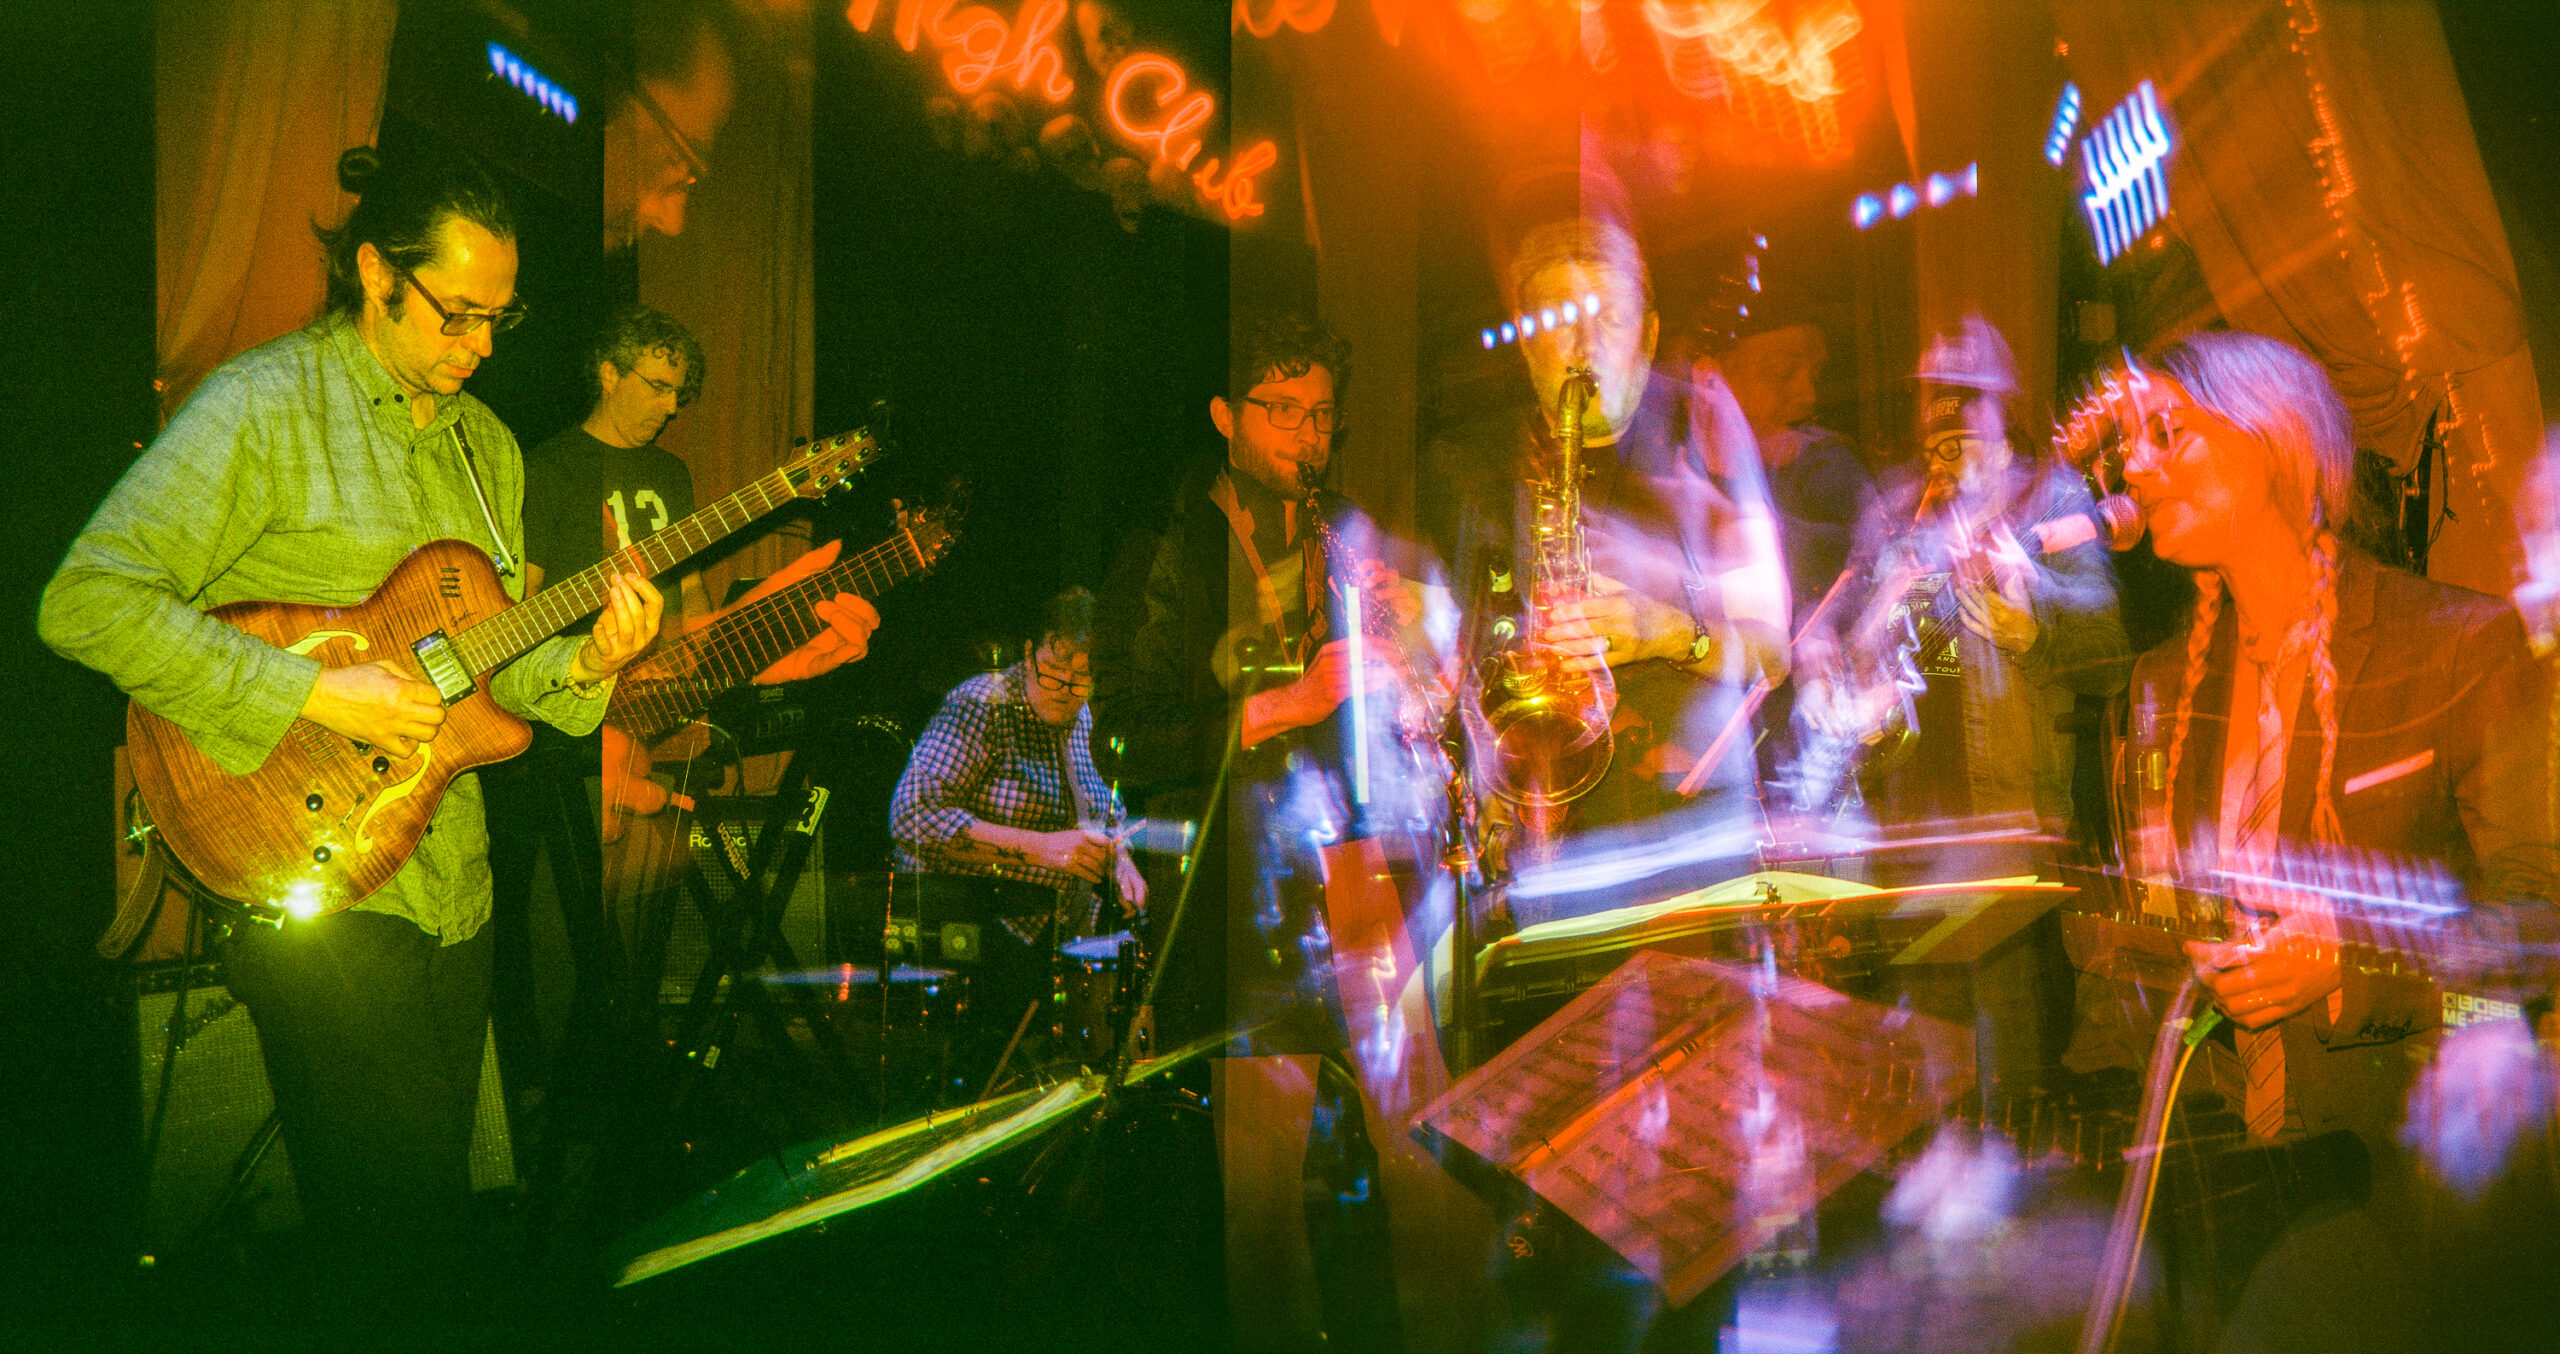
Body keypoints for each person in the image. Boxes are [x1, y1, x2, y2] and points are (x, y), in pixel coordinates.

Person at [37, 145, 660, 1307]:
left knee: (423, 1230)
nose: (481, 345)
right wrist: (315, 690)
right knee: (401, 1249)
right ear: (376, 272)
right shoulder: (263, 405)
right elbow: (86, 601)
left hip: (454, 882)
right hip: (311, 877)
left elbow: (490, 670)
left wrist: (587, 659)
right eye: (457, 312)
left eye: (501, 317)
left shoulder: (488, 449)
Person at [2079, 329, 2557, 1351]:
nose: (2133, 469)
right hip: (2220, 1189)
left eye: (2167, 432)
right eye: (2125, 445)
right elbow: (2142, 928)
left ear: (2278, 441)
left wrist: (2351, 962)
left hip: (2408, 1191)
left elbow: (2538, 928)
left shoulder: (2463, 647)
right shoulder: (2158, 684)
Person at [1096, 312, 1439, 1352]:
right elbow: (1123, 736)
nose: (1306, 435)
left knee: (1423, 1161)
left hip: (1361, 866)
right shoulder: (1166, 544)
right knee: (1262, 1202)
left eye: (1321, 414)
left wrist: (1413, 661)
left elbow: (1389, 700)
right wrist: (1289, 703)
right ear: (1224, 416)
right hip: (1247, 889)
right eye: (1281, 410)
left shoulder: (1343, 534)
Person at [1790, 314, 2129, 1095]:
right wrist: (1824, 663)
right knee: (1929, 1063)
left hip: (2000, 827)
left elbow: (2109, 647)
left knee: (2008, 1055)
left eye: (1966, 401)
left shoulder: (2051, 496)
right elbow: (1846, 620)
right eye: (1935, 401)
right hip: (1905, 828)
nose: (1948, 422)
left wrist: (2032, 624)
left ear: (2000, 404)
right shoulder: (1900, 507)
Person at [1433, 187, 1792, 915]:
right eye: (1557, 319)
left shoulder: (1703, 427)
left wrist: (1668, 632)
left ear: (1649, 335)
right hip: (1550, 863)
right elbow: (1451, 675)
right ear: (1525, 338)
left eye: (1611, 317)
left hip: (1697, 857)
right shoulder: (1473, 469)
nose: (1583, 343)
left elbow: (1774, 654)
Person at [890, 585, 1144, 923]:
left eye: (1082, 676)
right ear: (1028, 654)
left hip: (1055, 927)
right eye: (1051, 669)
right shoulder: (981, 703)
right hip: (966, 925)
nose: (1063, 690)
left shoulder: (1086, 715)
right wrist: (1042, 848)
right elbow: (912, 815)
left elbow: (1108, 817)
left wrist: (1120, 861)